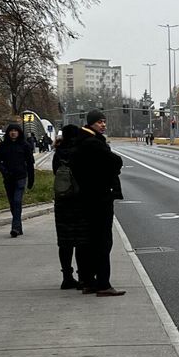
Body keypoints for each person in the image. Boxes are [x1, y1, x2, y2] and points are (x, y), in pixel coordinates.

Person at [71, 110, 126, 297]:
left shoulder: (81, 142)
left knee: (89, 241)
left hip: (87, 197)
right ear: (91, 124)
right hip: (99, 197)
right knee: (103, 242)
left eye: (104, 121)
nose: (103, 125)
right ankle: (103, 284)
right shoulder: (93, 144)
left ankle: (88, 281)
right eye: (99, 122)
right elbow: (115, 161)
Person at [52, 125, 89, 290]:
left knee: (64, 243)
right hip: (80, 202)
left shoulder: (58, 153)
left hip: (62, 202)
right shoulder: (81, 151)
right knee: (82, 241)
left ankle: (67, 276)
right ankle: (83, 277)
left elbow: (55, 173)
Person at [0, 123, 35, 237]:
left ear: (19, 133)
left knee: (17, 201)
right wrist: (4, 171)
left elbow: (30, 163)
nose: (13, 133)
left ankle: (15, 228)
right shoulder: (3, 146)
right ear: (8, 133)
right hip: (8, 178)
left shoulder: (24, 145)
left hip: (21, 177)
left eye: (15, 131)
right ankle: (18, 226)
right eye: (11, 131)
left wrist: (31, 179)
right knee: (13, 203)